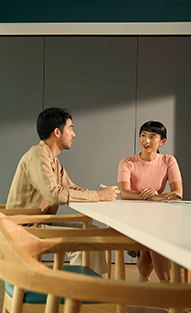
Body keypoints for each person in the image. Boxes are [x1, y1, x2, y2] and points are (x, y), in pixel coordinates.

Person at [7, 107, 119, 274]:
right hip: (25, 227)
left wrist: (100, 195)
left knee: (93, 231)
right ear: (57, 132)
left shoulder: (52, 159)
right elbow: (54, 195)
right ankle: (80, 290)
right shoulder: (38, 155)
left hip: (40, 222)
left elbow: (69, 188)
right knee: (83, 240)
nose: (74, 135)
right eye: (71, 129)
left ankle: (93, 285)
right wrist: (98, 195)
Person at [117, 120, 183, 283]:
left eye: (152, 137)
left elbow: (178, 194)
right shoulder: (127, 162)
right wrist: (154, 197)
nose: (146, 141)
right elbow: (124, 193)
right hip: (133, 217)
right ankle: (167, 287)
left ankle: (144, 281)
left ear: (162, 141)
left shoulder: (168, 161)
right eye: (143, 136)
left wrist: (159, 197)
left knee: (149, 251)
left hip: (159, 217)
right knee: (155, 243)